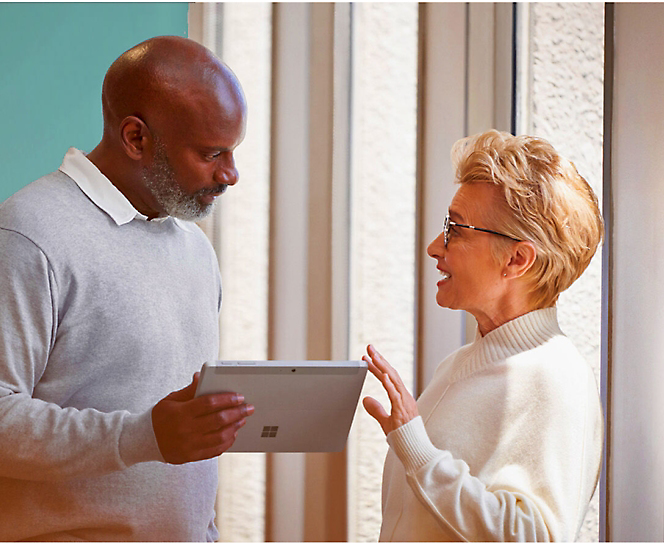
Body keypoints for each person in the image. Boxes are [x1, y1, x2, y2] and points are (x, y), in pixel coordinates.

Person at [0, 36, 254, 541]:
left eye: (233, 151)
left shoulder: (194, 248)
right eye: (212, 153)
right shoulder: (28, 235)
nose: (231, 174)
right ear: (136, 138)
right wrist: (143, 437)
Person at [363, 130, 604, 541]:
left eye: (455, 228)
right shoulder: (457, 366)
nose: (435, 247)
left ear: (516, 258)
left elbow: (537, 535)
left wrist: (418, 451)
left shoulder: (558, 379)